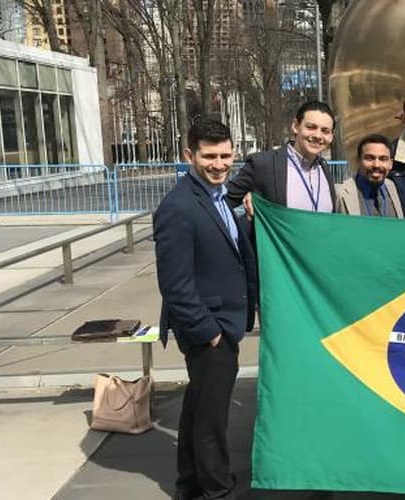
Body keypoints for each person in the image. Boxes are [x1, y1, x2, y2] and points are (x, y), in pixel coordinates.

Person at [154, 118, 257, 500]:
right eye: (209, 156)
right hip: (209, 328)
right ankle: (217, 489)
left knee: (198, 408)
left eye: (225, 156)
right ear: (189, 155)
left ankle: (190, 483)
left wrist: (248, 220)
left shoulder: (219, 197)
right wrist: (209, 332)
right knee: (212, 418)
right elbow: (175, 284)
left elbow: (227, 250)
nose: (219, 164)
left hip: (223, 321)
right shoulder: (178, 208)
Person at [227, 100, 337, 217]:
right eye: (311, 127)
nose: (318, 135)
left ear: (331, 136)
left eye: (325, 131)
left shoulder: (324, 169)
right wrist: (248, 220)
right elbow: (220, 204)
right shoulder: (263, 164)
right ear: (295, 126)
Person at [335, 133, 404, 217]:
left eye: (383, 159)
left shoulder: (392, 188)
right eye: (370, 158)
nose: (376, 165)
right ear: (358, 161)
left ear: (390, 164)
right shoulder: (341, 194)